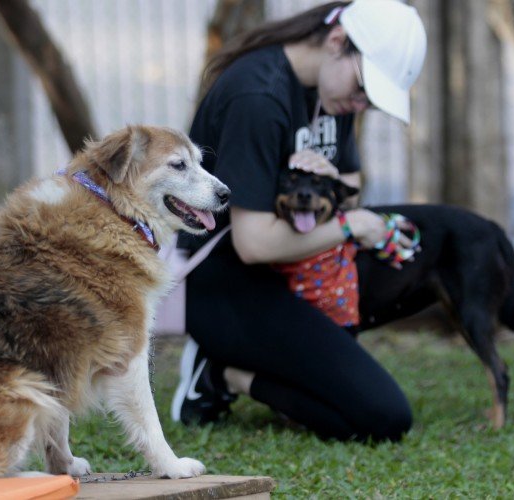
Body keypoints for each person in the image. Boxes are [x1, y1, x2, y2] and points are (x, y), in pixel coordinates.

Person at [170, 0, 427, 442]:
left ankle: (260, 364)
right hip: (224, 278)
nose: (362, 104)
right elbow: (255, 243)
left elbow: (350, 183)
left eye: (372, 100)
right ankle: (221, 374)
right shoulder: (258, 95)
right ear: (336, 42)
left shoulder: (334, 95)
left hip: (294, 261)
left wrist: (334, 186)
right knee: (384, 417)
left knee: (422, 239)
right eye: (364, 88)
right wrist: (350, 226)